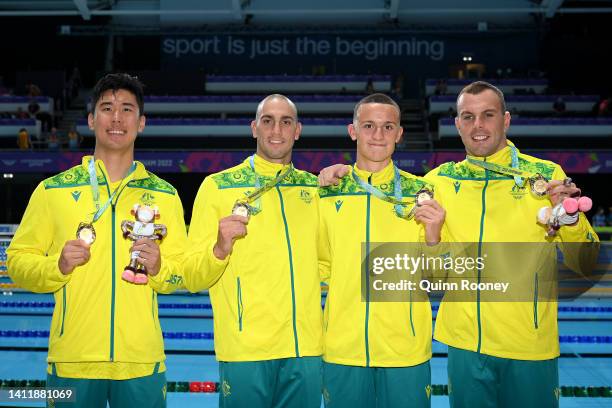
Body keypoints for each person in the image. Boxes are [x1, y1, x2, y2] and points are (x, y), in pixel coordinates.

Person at [319, 81, 599, 408]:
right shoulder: (438, 182)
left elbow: (587, 263)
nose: (477, 126)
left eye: (488, 115)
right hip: (464, 346)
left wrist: (572, 221)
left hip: (529, 344)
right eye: (468, 117)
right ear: (457, 124)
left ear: (505, 120)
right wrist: (337, 175)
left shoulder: (545, 177)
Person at [7, 73, 187, 408]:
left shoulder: (165, 195)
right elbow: (17, 263)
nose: (117, 117)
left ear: (141, 122)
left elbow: (183, 274)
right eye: (107, 108)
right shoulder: (52, 190)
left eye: (127, 109)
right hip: (73, 360)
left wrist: (161, 267)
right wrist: (56, 265)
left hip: (141, 362)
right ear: (91, 120)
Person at [183, 94, 323, 408]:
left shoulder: (314, 190)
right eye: (267, 120)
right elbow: (191, 276)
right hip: (245, 350)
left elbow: (327, 262)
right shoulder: (217, 187)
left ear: (297, 130)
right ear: (254, 128)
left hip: (306, 350)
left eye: (286, 121)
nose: (277, 129)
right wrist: (219, 249)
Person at [318, 93, 445, 408]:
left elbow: (439, 278)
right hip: (341, 348)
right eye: (369, 126)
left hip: (406, 349)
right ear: (353, 131)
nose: (378, 135)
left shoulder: (424, 194)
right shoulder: (325, 193)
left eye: (388, 127)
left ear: (400, 134)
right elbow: (318, 267)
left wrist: (433, 236)